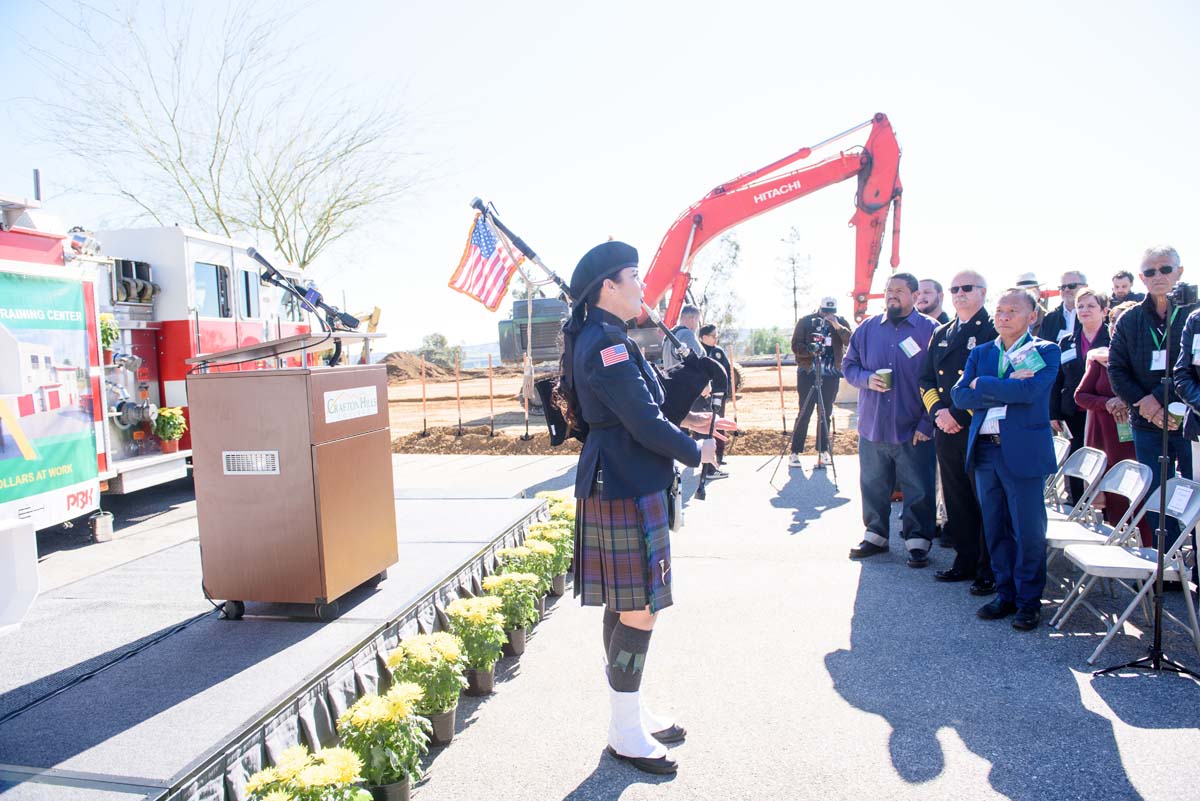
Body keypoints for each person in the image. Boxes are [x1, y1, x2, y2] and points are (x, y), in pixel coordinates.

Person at [559, 241, 733, 774]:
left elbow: (648, 407)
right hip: (625, 485)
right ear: (607, 288)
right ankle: (625, 729)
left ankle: (628, 714)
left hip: (625, 480)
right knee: (640, 607)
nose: (642, 287)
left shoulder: (610, 338)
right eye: (634, 277)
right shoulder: (605, 345)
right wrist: (695, 450)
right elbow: (640, 423)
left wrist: (698, 423)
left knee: (628, 603)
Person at [951, 287, 1061, 631]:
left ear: (1032, 316)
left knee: (1028, 530)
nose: (1003, 316)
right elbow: (958, 395)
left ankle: (1029, 602)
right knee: (995, 527)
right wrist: (1000, 384)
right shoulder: (982, 352)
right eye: (999, 310)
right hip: (985, 451)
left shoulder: (1045, 351)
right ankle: (1005, 594)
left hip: (1023, 453)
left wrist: (983, 385)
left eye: (1012, 311)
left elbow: (1029, 393)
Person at [842, 273, 938, 567]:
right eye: (888, 290)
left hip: (912, 425)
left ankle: (918, 541)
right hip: (873, 424)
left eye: (898, 290)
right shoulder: (867, 328)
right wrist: (867, 379)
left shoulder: (930, 330)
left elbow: (937, 380)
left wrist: (927, 423)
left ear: (913, 295)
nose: (891, 295)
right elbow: (848, 366)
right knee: (872, 483)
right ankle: (876, 536)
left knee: (918, 485)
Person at [1108, 245, 1196, 546]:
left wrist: (1156, 398)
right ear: (1142, 279)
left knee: (1193, 491)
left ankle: (1195, 566)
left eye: (1165, 268)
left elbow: (1188, 368)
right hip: (1145, 423)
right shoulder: (1129, 320)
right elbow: (1116, 370)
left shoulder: (1194, 317)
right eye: (1149, 271)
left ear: (1180, 272)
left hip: (1189, 423)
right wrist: (1145, 405)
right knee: (1155, 493)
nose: (1158, 275)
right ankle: (1167, 565)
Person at [919, 270, 997, 594]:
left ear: (983, 292)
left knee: (984, 501)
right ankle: (964, 560)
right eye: (954, 289)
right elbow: (926, 379)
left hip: (977, 428)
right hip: (945, 428)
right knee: (956, 498)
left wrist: (958, 416)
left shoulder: (992, 329)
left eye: (967, 288)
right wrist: (939, 413)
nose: (959, 294)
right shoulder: (943, 332)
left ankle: (989, 569)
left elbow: (989, 381)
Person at [1074, 301, 1151, 544]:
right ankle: (1120, 551)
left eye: (1124, 321)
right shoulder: (1099, 361)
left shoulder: (1150, 360)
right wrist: (1107, 403)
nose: (1119, 326)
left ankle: (1148, 555)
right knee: (1116, 496)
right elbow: (1080, 396)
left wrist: (1127, 399)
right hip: (1108, 439)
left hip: (1140, 441)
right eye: (1115, 322)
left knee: (1143, 498)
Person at [1050, 288, 1110, 503]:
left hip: (1104, 411)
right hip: (1072, 411)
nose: (1085, 310)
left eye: (1091, 306)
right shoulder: (1066, 341)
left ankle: (1107, 508)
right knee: (1074, 459)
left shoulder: (1115, 338)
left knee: (1105, 459)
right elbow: (1057, 379)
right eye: (1081, 306)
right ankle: (1074, 501)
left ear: (1104, 310)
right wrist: (1053, 412)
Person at [789, 297, 852, 468]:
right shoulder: (806, 322)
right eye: (825, 312)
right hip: (808, 372)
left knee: (825, 413)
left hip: (831, 374)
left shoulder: (841, 322)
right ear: (819, 308)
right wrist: (811, 349)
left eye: (831, 312)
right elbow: (795, 346)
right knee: (805, 412)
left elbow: (851, 342)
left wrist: (837, 326)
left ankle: (823, 451)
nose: (828, 315)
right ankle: (795, 451)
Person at [698, 323, 732, 475]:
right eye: (712, 336)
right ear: (703, 337)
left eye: (716, 336)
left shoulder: (718, 352)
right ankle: (705, 460)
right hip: (701, 396)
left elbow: (726, 372)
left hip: (718, 396)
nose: (715, 338)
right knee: (704, 427)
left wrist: (728, 391)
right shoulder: (698, 350)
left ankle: (718, 456)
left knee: (719, 424)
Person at [1041, 270, 1087, 346]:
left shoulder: (1096, 314)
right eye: (1062, 287)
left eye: (1072, 286)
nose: (1066, 290)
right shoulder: (1050, 318)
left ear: (1085, 287)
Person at [662, 305, 704, 373]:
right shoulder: (687, 334)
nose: (697, 325)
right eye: (697, 321)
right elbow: (696, 363)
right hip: (688, 382)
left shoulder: (668, 336)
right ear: (693, 319)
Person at [1015, 272, 1048, 337]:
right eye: (1023, 292)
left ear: (1038, 291)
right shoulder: (1010, 317)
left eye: (1031, 291)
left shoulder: (1048, 317)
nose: (1027, 295)